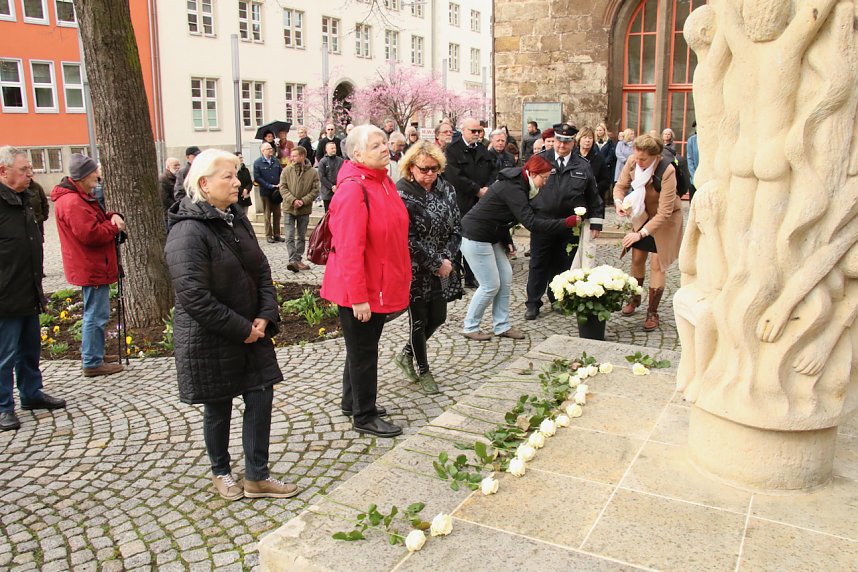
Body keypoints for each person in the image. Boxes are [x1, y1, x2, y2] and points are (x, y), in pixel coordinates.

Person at [164, 149, 298, 501]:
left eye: (236, 174)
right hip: (214, 336)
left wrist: (266, 314)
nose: (237, 182)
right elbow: (193, 296)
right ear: (204, 184)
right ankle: (221, 471)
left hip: (252, 330)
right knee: (218, 405)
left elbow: (262, 271)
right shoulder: (188, 231)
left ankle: (257, 476)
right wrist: (243, 328)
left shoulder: (235, 219)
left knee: (260, 396)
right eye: (228, 176)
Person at [320, 125, 411, 439]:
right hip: (357, 288)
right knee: (363, 353)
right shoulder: (353, 189)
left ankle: (352, 401)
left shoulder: (381, 181)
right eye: (376, 145)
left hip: (378, 283)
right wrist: (359, 297)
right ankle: (364, 415)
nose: (385, 148)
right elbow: (348, 248)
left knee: (360, 347)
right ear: (357, 154)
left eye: (385, 142)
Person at [460, 155, 582, 340]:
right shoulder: (514, 187)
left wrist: (506, 239)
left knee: (506, 277)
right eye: (544, 178)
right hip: (475, 236)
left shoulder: (522, 185)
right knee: (490, 285)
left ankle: (501, 326)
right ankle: (470, 326)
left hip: (491, 236)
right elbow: (531, 223)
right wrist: (566, 223)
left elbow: (499, 213)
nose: (545, 183)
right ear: (532, 173)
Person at [0, 146, 66, 431]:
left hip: (29, 288)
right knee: (4, 355)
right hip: (5, 293)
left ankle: (31, 392)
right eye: (24, 169)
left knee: (30, 348)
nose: (31, 173)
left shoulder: (25, 197)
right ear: (4, 171)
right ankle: (3, 407)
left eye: (30, 168)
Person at [394, 141, 461, 395]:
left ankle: (405, 354)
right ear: (411, 168)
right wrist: (434, 262)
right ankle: (424, 371)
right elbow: (406, 237)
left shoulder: (446, 189)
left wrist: (444, 261)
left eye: (434, 169)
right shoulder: (402, 192)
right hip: (414, 267)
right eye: (424, 169)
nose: (430, 174)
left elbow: (456, 227)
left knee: (439, 317)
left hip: (442, 264)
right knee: (419, 321)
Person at [51, 153, 126, 377]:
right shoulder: (73, 201)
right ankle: (92, 361)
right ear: (84, 175)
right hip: (90, 266)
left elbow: (96, 219)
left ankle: (94, 354)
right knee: (96, 314)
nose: (98, 175)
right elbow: (90, 234)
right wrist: (114, 227)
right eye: (94, 171)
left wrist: (112, 216)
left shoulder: (80, 197)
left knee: (96, 312)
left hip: (92, 264)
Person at [525, 123, 603, 320]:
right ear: (554, 140)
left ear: (572, 143)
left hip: (570, 224)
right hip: (542, 222)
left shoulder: (582, 165)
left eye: (566, 142)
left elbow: (593, 195)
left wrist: (595, 223)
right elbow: (524, 187)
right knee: (538, 263)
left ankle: (557, 298)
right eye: (559, 140)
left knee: (562, 264)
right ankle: (533, 302)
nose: (561, 145)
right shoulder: (539, 159)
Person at [614, 134, 684, 331]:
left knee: (656, 263)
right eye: (636, 157)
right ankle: (635, 299)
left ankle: (652, 311)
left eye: (643, 159)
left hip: (665, 221)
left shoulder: (667, 170)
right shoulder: (632, 161)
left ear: (655, 156)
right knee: (637, 258)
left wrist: (641, 234)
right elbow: (620, 187)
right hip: (642, 215)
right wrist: (619, 203)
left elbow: (665, 212)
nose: (638, 161)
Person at [444, 117, 497, 288]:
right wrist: (476, 189)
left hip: (480, 202)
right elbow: (455, 176)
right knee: (458, 238)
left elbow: (493, 171)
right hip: (461, 201)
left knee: (474, 236)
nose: (476, 134)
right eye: (473, 131)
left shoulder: (482, 149)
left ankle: (471, 275)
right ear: (463, 131)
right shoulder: (452, 150)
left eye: (479, 131)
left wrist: (488, 188)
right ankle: (455, 276)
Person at [279, 146, 320, 272]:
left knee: (301, 236)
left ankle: (297, 259)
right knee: (289, 235)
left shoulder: (313, 172)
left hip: (304, 209)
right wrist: (293, 200)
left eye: (295, 155)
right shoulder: (286, 171)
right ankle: (293, 260)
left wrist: (303, 201)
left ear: (302, 156)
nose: (292, 158)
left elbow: (315, 190)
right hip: (289, 208)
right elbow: (283, 188)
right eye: (292, 156)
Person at [253, 142, 283, 244]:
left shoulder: (275, 161)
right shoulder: (258, 162)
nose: (271, 150)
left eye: (271, 148)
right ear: (263, 151)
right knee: (267, 214)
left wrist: (280, 183)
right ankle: (268, 235)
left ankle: (277, 234)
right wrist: (269, 185)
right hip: (265, 192)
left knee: (277, 213)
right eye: (268, 149)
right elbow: (257, 177)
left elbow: (281, 172)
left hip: (276, 192)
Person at [575, 127, 612, 202]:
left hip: (594, 199)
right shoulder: (572, 156)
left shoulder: (599, 158)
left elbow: (605, 181)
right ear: (579, 139)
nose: (587, 140)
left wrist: (593, 190)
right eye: (585, 137)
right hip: (574, 198)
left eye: (590, 138)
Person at [318, 141, 344, 213]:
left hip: (339, 191)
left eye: (335, 148)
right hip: (327, 193)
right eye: (332, 148)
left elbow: (343, 174)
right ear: (327, 149)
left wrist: (339, 186)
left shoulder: (341, 161)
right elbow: (322, 177)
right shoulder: (323, 162)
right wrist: (331, 186)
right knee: (328, 213)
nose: (334, 150)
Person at [159, 157, 181, 224]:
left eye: (179, 165)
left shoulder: (178, 177)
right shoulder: (163, 179)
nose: (178, 167)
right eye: (175, 165)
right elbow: (164, 198)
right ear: (168, 167)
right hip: (168, 213)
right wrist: (177, 206)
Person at [595, 122, 616, 188]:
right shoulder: (593, 141)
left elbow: (611, 154)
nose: (599, 132)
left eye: (600, 130)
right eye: (597, 130)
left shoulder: (609, 142)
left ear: (604, 131)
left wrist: (604, 163)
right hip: (596, 167)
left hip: (606, 167)